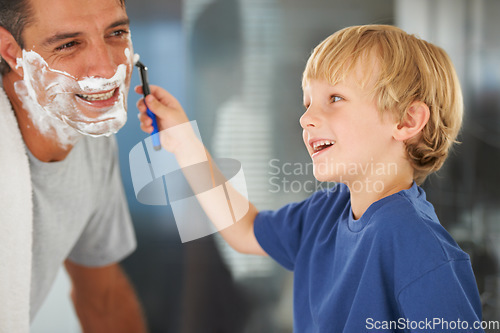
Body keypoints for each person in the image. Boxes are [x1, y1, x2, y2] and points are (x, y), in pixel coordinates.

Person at [138, 25, 484, 332]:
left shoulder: (420, 248)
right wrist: (184, 142)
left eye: (335, 98)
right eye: (308, 102)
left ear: (407, 120)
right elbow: (246, 231)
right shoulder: (326, 212)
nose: (306, 118)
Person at [0, 0, 146, 332]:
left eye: (117, 32)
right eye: (68, 44)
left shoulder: (91, 144)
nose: (107, 69)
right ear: (11, 52)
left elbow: (104, 299)